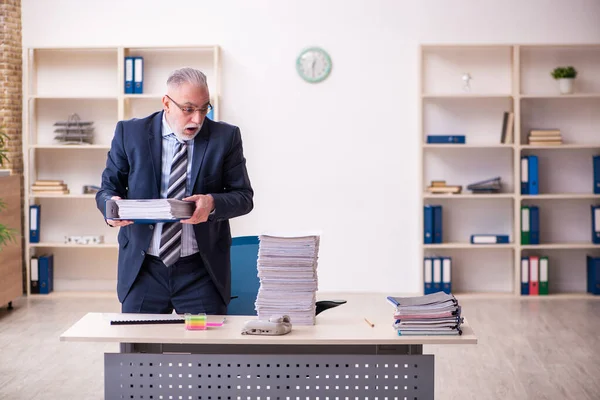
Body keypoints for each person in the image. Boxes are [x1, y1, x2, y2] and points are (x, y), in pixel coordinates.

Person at [95, 67, 253, 315]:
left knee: (207, 352)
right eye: (188, 109)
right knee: (138, 352)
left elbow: (243, 197)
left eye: (204, 109)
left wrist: (211, 203)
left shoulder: (225, 137)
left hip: (201, 272)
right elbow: (107, 189)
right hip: (143, 269)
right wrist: (110, 207)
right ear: (166, 103)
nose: (198, 119)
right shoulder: (130, 133)